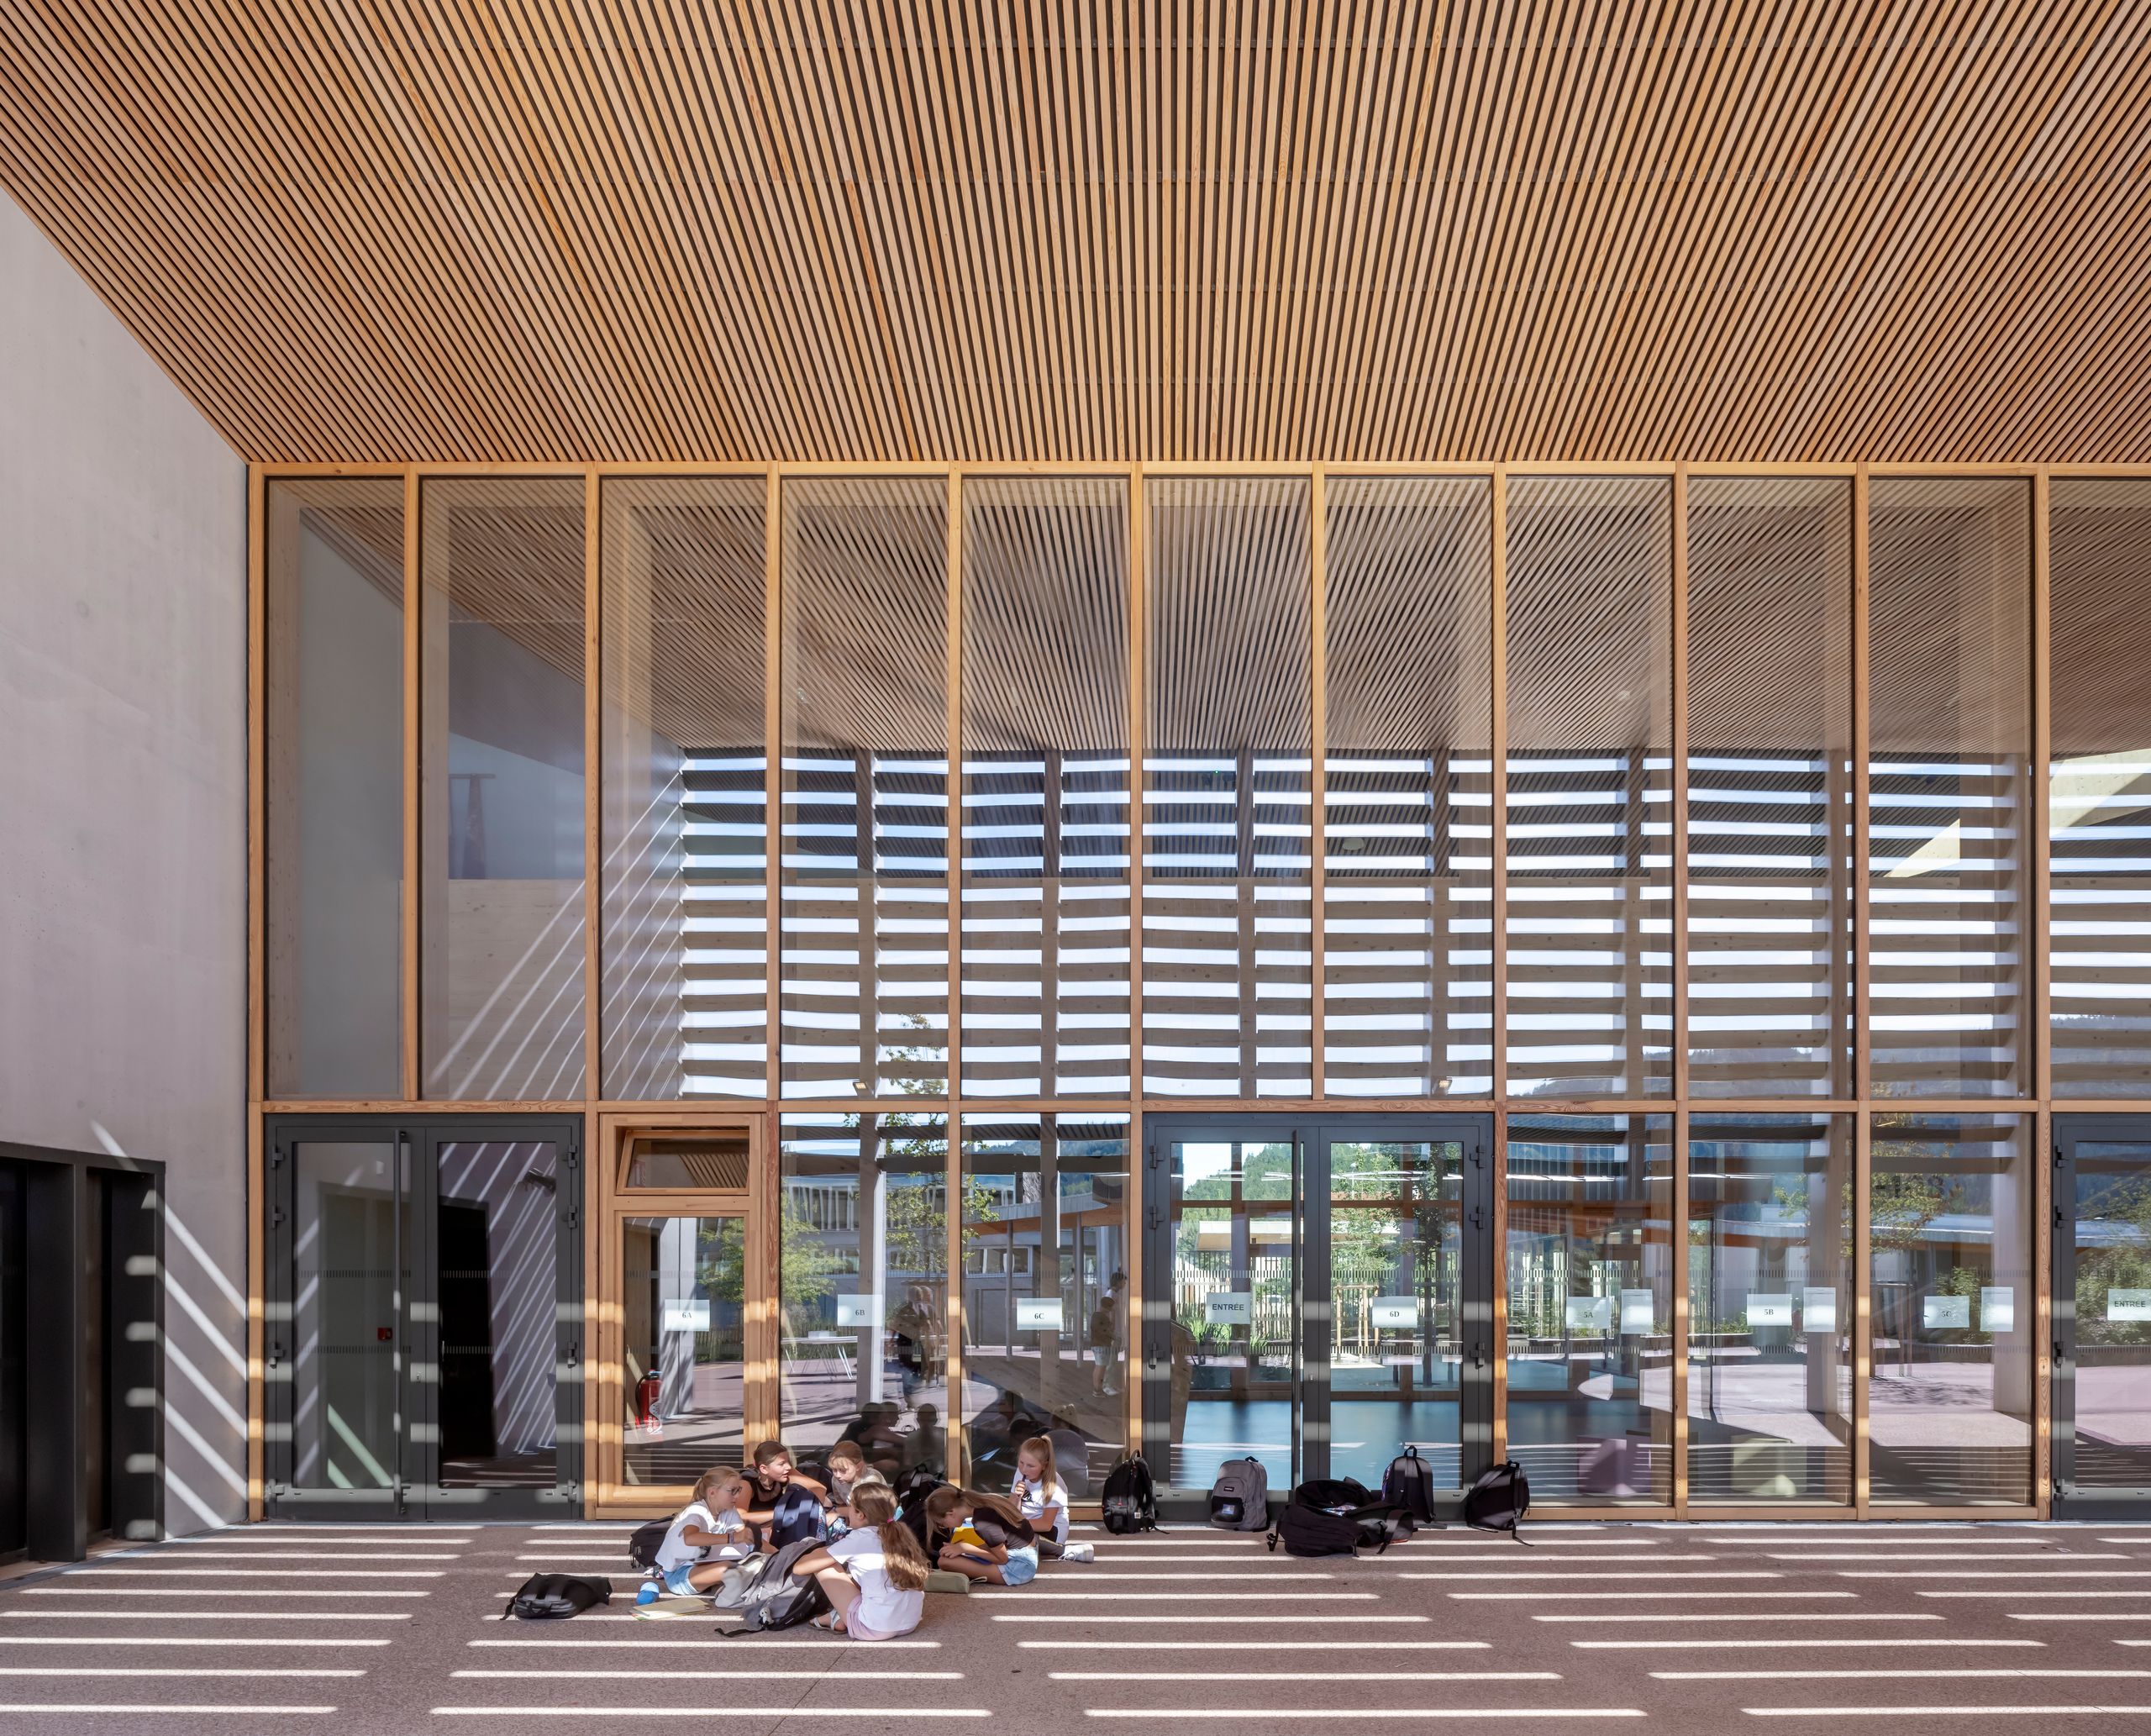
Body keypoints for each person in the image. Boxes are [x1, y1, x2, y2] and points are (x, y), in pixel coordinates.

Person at [792, 1483, 931, 1639]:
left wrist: (818, 1550)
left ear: (860, 1514)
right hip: (909, 1624)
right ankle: (836, 1617)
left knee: (826, 1566)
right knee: (866, 1576)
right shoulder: (901, 1536)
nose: (847, 1511)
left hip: (873, 1628)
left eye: (849, 1507)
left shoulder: (860, 1537)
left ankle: (838, 1617)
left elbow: (800, 1568)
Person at [636, 1465, 760, 1607]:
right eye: (733, 1491)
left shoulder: (729, 1511)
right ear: (712, 1492)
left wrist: (774, 1555)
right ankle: (728, 1597)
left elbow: (745, 1540)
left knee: (748, 1564)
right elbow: (690, 1538)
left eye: (739, 1490)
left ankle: (727, 1584)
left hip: (707, 1565)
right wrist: (732, 1538)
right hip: (680, 1576)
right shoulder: (696, 1511)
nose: (737, 1496)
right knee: (729, 1569)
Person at [925, 1486, 1039, 1586]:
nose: (943, 1527)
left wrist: (965, 1548)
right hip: (1025, 1553)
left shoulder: (982, 1523)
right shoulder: (986, 1503)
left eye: (941, 1523)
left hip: (1020, 1566)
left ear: (950, 1513)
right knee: (951, 1558)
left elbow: (1002, 1559)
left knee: (944, 1562)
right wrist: (961, 1549)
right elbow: (997, 1546)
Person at [1012, 1434, 1092, 1563]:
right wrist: (1016, 1497)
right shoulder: (1021, 1472)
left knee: (1009, 1537)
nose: (1024, 1469)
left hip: (1051, 1533)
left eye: (1031, 1466)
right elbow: (1012, 1510)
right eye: (1021, 1462)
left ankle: (1063, 1550)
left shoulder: (1054, 1484)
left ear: (1044, 1465)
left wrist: (1014, 1525)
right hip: (1025, 1525)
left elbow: (1046, 1525)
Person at [745, 1439, 829, 1546]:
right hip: (752, 1536)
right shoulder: (748, 1482)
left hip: (776, 1530)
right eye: (782, 1464)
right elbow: (740, 1517)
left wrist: (799, 1510)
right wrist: (783, 1513)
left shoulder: (783, 1474)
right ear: (764, 1469)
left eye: (788, 1461)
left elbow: (820, 1490)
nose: (789, 1467)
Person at [1092, 1270, 1128, 1396]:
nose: (1125, 1283)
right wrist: (1111, 1332)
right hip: (1113, 1334)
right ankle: (1107, 1386)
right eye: (1123, 1281)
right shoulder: (1110, 1294)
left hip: (1117, 1333)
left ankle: (1110, 1384)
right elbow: (1107, 1314)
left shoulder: (1116, 1295)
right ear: (1118, 1282)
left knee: (1113, 1360)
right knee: (1110, 1361)